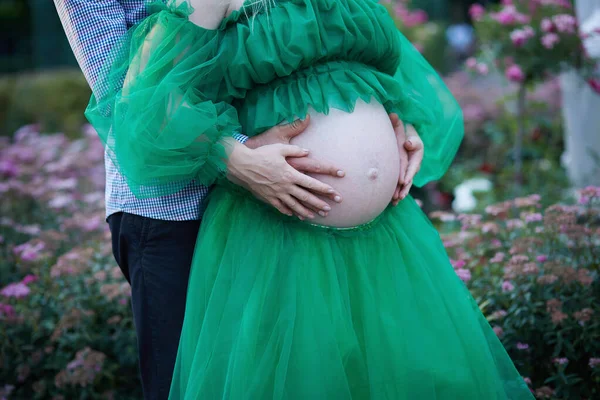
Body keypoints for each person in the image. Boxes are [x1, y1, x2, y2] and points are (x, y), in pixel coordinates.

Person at [85, 0, 535, 398]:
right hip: (281, 231)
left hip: (384, 237)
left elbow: (374, 70)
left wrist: (401, 121)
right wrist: (234, 157)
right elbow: (144, 101)